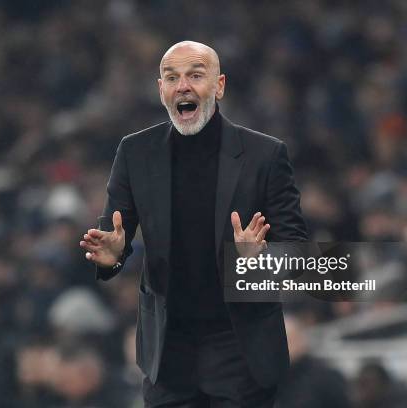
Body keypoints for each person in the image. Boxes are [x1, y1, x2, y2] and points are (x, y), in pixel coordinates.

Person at [81, 41, 308, 407]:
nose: (182, 85)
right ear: (161, 90)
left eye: (195, 75)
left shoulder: (265, 154)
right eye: (172, 77)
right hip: (168, 355)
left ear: (219, 86)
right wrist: (111, 256)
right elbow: (113, 236)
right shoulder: (135, 151)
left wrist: (258, 259)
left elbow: (297, 252)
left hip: (240, 351)